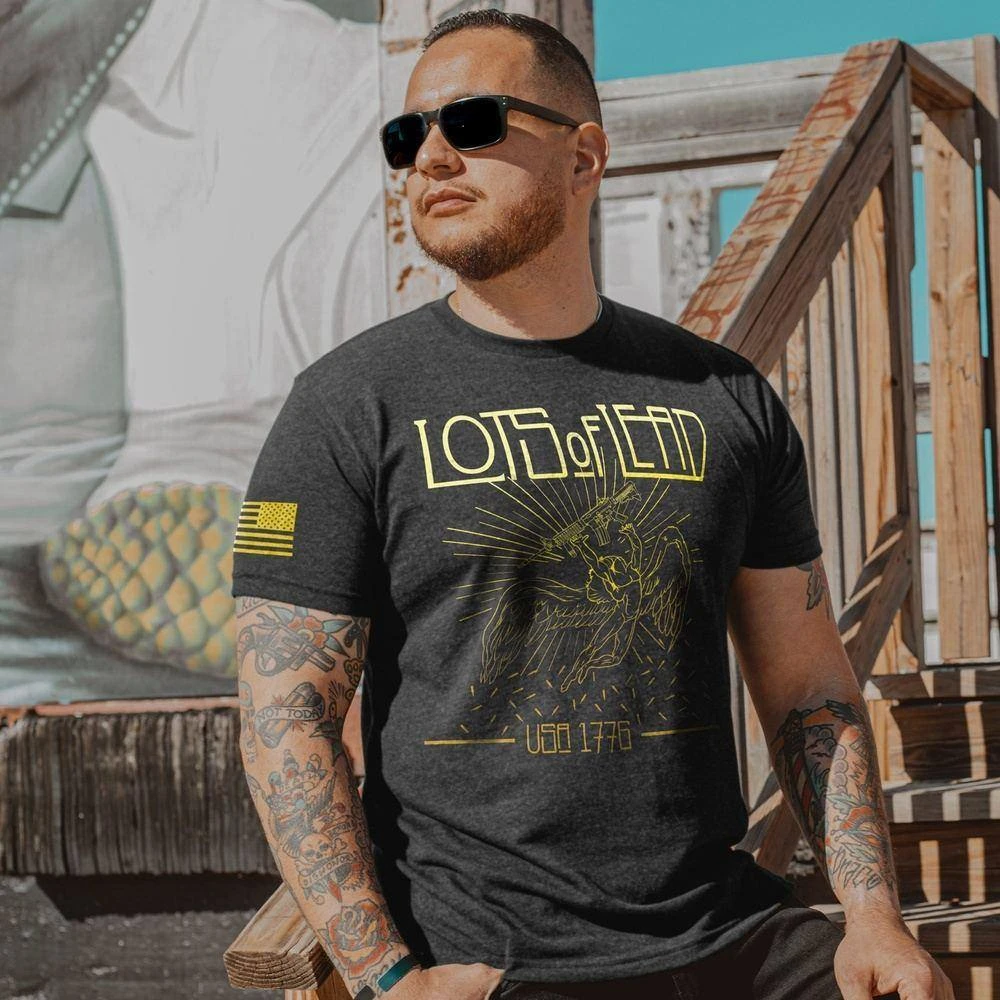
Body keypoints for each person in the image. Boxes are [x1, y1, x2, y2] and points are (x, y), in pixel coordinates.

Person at [231, 10, 954, 1000]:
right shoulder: (347, 405)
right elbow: (286, 714)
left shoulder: (723, 397)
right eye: (406, 136)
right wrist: (387, 978)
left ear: (584, 157)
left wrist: (872, 917)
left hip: (731, 935)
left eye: (473, 122)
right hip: (497, 963)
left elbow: (808, 688)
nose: (430, 157)